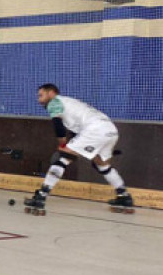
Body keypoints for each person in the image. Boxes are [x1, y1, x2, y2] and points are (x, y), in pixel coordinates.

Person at [24, 84, 133, 214]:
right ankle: (124, 196)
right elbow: (78, 130)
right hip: (110, 129)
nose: (39, 100)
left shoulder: (54, 102)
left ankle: (40, 197)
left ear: (51, 93)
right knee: (102, 165)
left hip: (95, 129)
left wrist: (62, 144)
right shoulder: (70, 102)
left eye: (41, 95)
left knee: (62, 159)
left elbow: (58, 125)